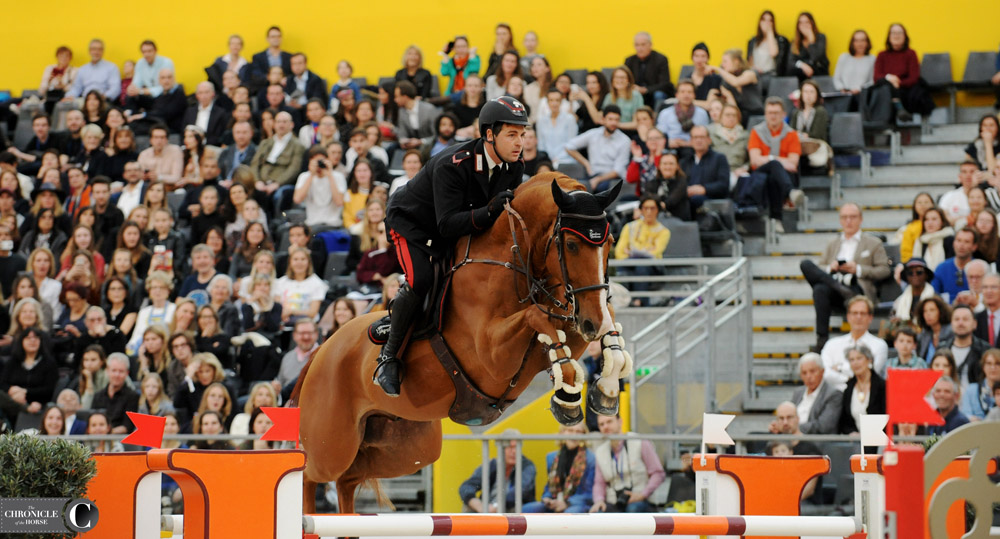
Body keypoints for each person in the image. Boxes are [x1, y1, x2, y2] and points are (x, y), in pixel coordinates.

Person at [376, 97, 529, 396]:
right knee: (422, 277)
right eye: (511, 134)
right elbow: (446, 224)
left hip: (454, 226)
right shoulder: (453, 164)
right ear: (489, 135)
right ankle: (388, 358)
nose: (519, 142)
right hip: (412, 225)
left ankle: (401, 321)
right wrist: (488, 212)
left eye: (522, 134)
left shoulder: (514, 166)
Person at [800, 204, 891, 350]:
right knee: (807, 268)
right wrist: (832, 267)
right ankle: (822, 338)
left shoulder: (873, 243)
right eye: (844, 217)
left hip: (857, 288)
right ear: (840, 220)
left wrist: (858, 269)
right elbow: (820, 267)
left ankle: (841, 289)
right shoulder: (832, 243)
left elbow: (884, 270)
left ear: (860, 219)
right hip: (836, 287)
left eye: (852, 217)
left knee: (819, 288)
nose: (848, 221)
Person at [746, 97, 803, 231]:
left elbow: (793, 163)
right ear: (765, 114)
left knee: (773, 176)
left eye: (776, 113)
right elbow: (755, 160)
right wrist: (776, 159)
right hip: (760, 174)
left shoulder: (791, 134)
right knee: (774, 165)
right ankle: (790, 193)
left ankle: (775, 219)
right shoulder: (756, 132)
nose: (773, 116)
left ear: (783, 114)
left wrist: (768, 159)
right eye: (770, 112)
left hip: (781, 177)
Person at [590, 414, 665, 513]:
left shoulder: (639, 441)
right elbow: (599, 483)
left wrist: (643, 494)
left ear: (620, 422)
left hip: (640, 500)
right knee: (598, 513)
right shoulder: (600, 451)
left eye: (609, 422)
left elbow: (658, 473)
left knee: (633, 510)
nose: (606, 427)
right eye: (601, 424)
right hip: (615, 502)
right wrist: (599, 501)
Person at [522, 422, 595, 514]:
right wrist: (547, 499)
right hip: (555, 502)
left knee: (569, 513)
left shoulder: (590, 459)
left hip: (576, 504)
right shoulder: (551, 458)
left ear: (584, 435)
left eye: (578, 431)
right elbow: (549, 487)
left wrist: (566, 503)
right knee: (529, 509)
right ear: (563, 432)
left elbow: (588, 494)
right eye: (570, 430)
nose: (574, 435)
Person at [820, 296, 889, 390]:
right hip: (834, 397)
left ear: (870, 317)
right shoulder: (832, 344)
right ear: (848, 316)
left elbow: (869, 374)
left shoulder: (879, 345)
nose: (858, 317)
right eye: (855, 313)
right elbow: (825, 373)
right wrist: (849, 378)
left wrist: (840, 368)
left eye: (863, 313)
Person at [614, 195, 670, 306]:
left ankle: (638, 301)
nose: (649, 212)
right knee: (625, 267)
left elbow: (655, 253)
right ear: (641, 210)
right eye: (645, 208)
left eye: (652, 208)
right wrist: (644, 251)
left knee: (642, 267)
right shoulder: (629, 227)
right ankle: (626, 301)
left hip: (653, 266)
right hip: (629, 262)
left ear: (658, 210)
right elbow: (619, 252)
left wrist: (632, 251)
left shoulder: (664, 231)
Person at [459, 432, 537, 512]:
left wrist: (496, 506)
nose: (514, 451)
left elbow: (519, 491)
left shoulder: (527, 466)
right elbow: (467, 486)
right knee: (468, 505)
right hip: (489, 509)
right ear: (501, 449)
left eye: (517, 447)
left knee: (516, 509)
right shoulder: (492, 465)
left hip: (511, 508)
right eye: (510, 447)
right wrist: (478, 505)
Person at [874, 23, 934, 122]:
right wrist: (890, 78)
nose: (896, 36)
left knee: (892, 91)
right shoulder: (882, 55)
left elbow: (914, 77)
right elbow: (877, 76)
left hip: (906, 89)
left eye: (899, 33)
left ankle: (900, 109)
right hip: (887, 87)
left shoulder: (911, 54)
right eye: (893, 33)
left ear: (905, 36)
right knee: (884, 86)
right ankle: (899, 109)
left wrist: (898, 83)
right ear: (889, 36)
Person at [564, 105, 630, 193]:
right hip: (592, 175)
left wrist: (598, 180)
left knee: (599, 191)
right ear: (603, 119)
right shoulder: (593, 134)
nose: (613, 123)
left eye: (616, 119)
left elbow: (617, 171)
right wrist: (586, 163)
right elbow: (569, 146)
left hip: (612, 179)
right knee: (572, 189)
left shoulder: (624, 140)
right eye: (610, 119)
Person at [251, 111, 306, 204]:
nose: (281, 125)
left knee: (276, 196)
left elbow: (294, 169)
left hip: (280, 185)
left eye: (284, 122)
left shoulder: (298, 145)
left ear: (291, 124)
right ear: (274, 124)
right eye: (278, 122)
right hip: (261, 182)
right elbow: (255, 164)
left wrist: (277, 184)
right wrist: (257, 181)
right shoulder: (265, 143)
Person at [0, 328, 58, 415]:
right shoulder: (13, 361)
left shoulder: (49, 363)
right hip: (11, 402)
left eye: (36, 337)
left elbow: (49, 390)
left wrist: (25, 392)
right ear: (21, 341)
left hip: (39, 405)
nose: (32, 341)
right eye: (28, 338)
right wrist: (11, 390)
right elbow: (2, 383)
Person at [836, 345, 887, 435]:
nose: (855, 363)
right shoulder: (848, 388)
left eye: (859, 358)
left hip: (879, 440)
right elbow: (844, 421)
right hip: (855, 442)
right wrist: (851, 432)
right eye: (852, 360)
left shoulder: (883, 386)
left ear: (869, 360)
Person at [680, 125, 730, 216]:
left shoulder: (719, 158)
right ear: (691, 141)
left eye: (702, 137)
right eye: (695, 137)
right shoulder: (685, 161)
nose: (698, 140)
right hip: (688, 199)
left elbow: (723, 184)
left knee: (694, 200)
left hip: (711, 200)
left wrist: (704, 189)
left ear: (709, 140)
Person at [787, 352, 842, 434]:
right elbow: (788, 416)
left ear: (822, 371)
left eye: (812, 371)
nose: (808, 376)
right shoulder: (798, 393)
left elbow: (824, 426)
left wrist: (792, 428)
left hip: (817, 442)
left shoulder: (833, 394)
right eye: (804, 373)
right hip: (793, 437)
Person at [655, 80, 709, 156]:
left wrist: (690, 143)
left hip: (694, 150)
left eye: (689, 92)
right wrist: (669, 142)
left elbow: (705, 136)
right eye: (682, 92)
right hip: (670, 150)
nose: (686, 95)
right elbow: (659, 135)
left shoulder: (702, 113)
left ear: (694, 95)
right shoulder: (665, 113)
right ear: (677, 95)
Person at [91, 352, 139, 433]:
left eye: (121, 371)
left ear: (127, 373)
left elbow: (127, 426)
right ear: (107, 371)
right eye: (114, 370)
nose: (117, 375)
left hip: (121, 442)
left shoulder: (132, 396)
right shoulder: (98, 395)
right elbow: (92, 420)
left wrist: (107, 433)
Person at [715, 49, 764, 125]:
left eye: (725, 61)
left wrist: (718, 69)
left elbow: (736, 82)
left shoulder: (750, 73)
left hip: (757, 115)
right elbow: (733, 107)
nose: (722, 65)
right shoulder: (725, 83)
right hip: (741, 117)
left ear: (736, 61)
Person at [624, 32, 673, 106]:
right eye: (637, 45)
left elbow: (665, 83)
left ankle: (657, 116)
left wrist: (645, 90)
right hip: (636, 92)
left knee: (658, 94)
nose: (640, 48)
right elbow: (626, 80)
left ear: (650, 45)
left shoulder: (661, 59)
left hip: (654, 92)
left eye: (643, 45)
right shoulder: (629, 60)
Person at [930, 228, 979, 301]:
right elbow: (934, 298)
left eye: (967, 242)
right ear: (953, 243)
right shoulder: (941, 268)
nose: (961, 245)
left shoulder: (980, 269)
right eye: (959, 240)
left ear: (974, 246)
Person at [394, 81, 440, 151]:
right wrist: (404, 141)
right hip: (412, 149)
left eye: (397, 96)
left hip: (431, 147)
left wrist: (421, 142)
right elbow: (402, 134)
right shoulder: (401, 111)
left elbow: (437, 135)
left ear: (405, 97)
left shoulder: (429, 109)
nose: (395, 100)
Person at [747, 10, 791, 81]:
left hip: (770, 75)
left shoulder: (779, 40)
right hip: (755, 74)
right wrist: (754, 68)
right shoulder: (753, 41)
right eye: (764, 20)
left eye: (770, 20)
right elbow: (749, 62)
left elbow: (773, 53)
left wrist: (769, 32)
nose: (766, 23)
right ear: (760, 22)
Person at [892, 258, 937, 322]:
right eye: (910, 272)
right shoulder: (899, 302)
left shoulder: (935, 298)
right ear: (906, 276)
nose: (914, 275)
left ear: (926, 275)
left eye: (919, 272)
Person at [960, 348, 1000, 420]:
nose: (993, 368)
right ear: (983, 367)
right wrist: (971, 418)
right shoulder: (971, 390)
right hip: (975, 429)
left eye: (997, 364)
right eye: (989, 363)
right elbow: (964, 414)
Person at [787, 13, 829, 81]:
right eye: (801, 23)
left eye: (807, 22)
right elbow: (791, 62)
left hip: (818, 75)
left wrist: (811, 39)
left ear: (812, 23)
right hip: (801, 76)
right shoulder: (794, 42)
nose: (804, 25)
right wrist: (802, 65)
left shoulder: (821, 38)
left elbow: (816, 57)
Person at [833, 30, 876, 96]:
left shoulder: (872, 59)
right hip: (844, 94)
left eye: (863, 40)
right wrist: (842, 89)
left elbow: (872, 81)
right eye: (856, 41)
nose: (860, 44)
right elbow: (836, 78)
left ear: (867, 42)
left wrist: (859, 89)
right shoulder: (844, 57)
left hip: (863, 94)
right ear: (852, 43)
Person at [690, 43, 723, 108]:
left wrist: (687, 101)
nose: (699, 60)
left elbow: (709, 105)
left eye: (703, 56)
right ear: (692, 58)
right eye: (696, 56)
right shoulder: (687, 78)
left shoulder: (715, 79)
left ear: (708, 58)